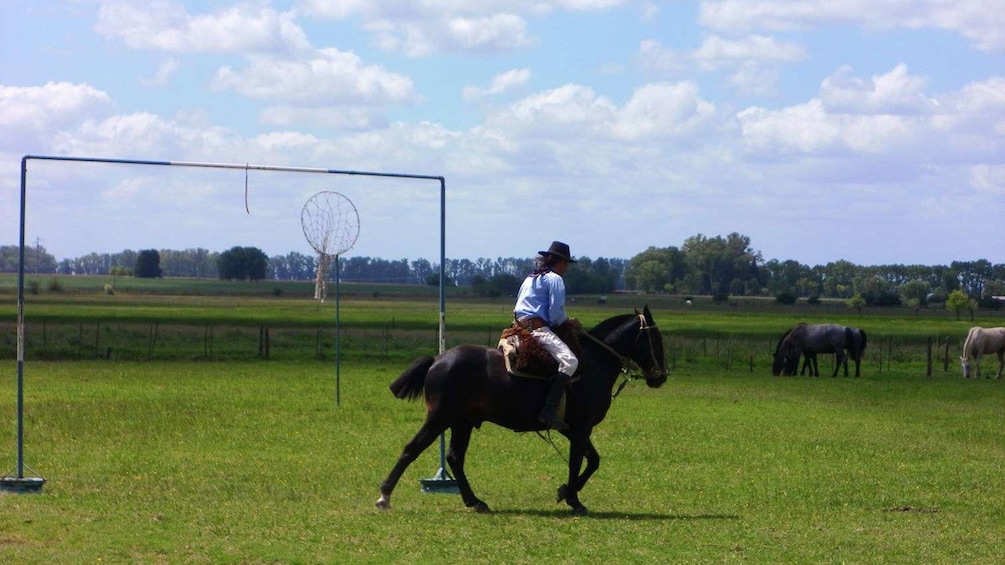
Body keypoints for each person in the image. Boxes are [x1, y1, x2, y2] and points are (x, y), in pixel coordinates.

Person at [513, 241, 581, 431]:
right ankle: (549, 411)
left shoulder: (530, 277)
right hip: (538, 329)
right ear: (560, 262)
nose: (566, 268)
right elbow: (555, 313)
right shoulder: (555, 279)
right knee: (570, 362)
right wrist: (569, 323)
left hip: (519, 326)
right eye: (566, 264)